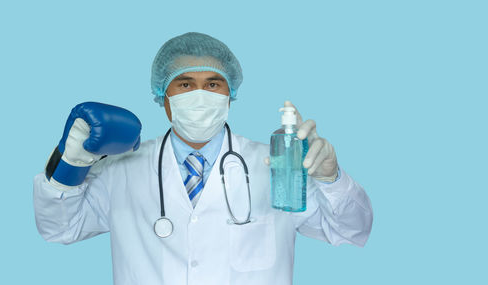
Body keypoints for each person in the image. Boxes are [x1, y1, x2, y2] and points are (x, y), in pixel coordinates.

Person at [33, 32, 373, 285]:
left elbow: (351, 230)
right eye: (184, 84)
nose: (199, 95)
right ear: (162, 97)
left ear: (231, 96)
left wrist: (332, 178)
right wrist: (71, 161)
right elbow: (60, 228)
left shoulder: (277, 166)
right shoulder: (121, 169)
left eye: (213, 84)